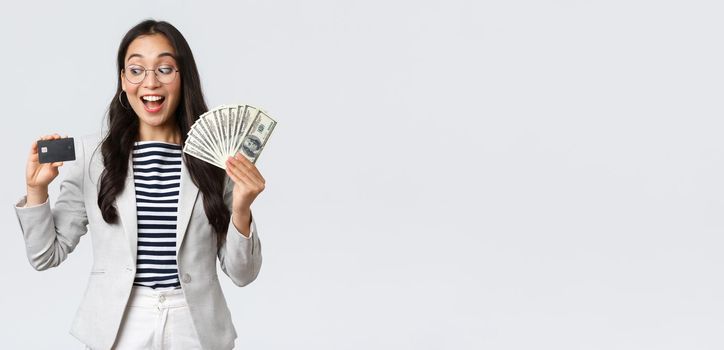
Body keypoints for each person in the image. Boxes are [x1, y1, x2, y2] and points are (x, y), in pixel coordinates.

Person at [14, 19, 265, 350]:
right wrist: (37, 192)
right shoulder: (93, 156)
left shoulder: (215, 160)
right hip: (118, 327)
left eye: (164, 68)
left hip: (195, 327)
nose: (150, 81)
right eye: (136, 70)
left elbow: (242, 273)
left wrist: (243, 208)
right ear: (123, 80)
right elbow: (46, 256)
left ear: (182, 77)